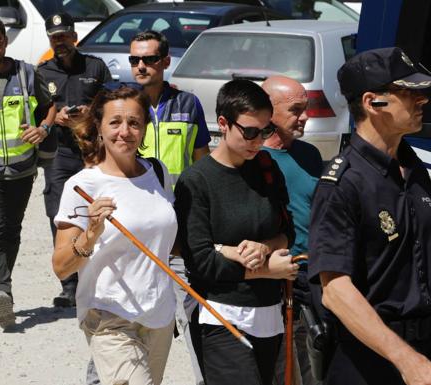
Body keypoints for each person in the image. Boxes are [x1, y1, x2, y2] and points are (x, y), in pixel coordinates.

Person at [308, 47, 431, 385]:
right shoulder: (343, 183)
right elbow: (335, 290)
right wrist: (407, 361)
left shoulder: (414, 170)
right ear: (371, 102)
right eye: (409, 93)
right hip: (370, 361)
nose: (422, 101)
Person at [174, 79, 299, 385]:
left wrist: (265, 247)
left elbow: (288, 232)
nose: (258, 141)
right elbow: (200, 262)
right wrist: (268, 270)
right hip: (220, 315)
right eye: (250, 132)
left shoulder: (267, 167)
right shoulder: (196, 180)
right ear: (223, 124)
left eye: (266, 131)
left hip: (271, 314)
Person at [52, 85, 177, 385]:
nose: (125, 131)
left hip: (159, 315)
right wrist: (91, 234)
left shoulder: (158, 173)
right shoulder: (83, 185)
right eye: (115, 122)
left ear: (145, 128)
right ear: (98, 127)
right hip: (109, 315)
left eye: (134, 122)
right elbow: (61, 266)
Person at [126, 29, 211, 385]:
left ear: (165, 62)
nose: (140, 66)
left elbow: (202, 160)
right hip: (138, 228)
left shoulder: (189, 104)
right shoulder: (124, 105)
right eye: (134, 60)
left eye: (148, 59)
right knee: (126, 316)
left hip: (183, 229)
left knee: (193, 313)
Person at [0, 17, 56, 329]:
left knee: (12, 231)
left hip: (21, 168)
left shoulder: (26, 72)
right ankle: (1, 292)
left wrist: (43, 128)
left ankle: (0, 288)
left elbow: (50, 107)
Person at [37, 12, 112, 308]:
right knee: (60, 213)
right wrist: (58, 118)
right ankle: (69, 283)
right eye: (55, 38)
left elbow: (110, 102)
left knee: (100, 209)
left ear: (74, 37)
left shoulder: (95, 67)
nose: (61, 42)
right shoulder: (42, 72)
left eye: (65, 36)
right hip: (60, 153)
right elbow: (38, 111)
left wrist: (89, 112)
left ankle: (97, 273)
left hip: (92, 152)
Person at [261, 75, 323, 385]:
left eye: (306, 108)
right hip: (281, 279)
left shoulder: (310, 155)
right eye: (296, 109)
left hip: (318, 276)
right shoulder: (255, 158)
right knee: (287, 368)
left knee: (317, 362)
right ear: (268, 112)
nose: (305, 116)